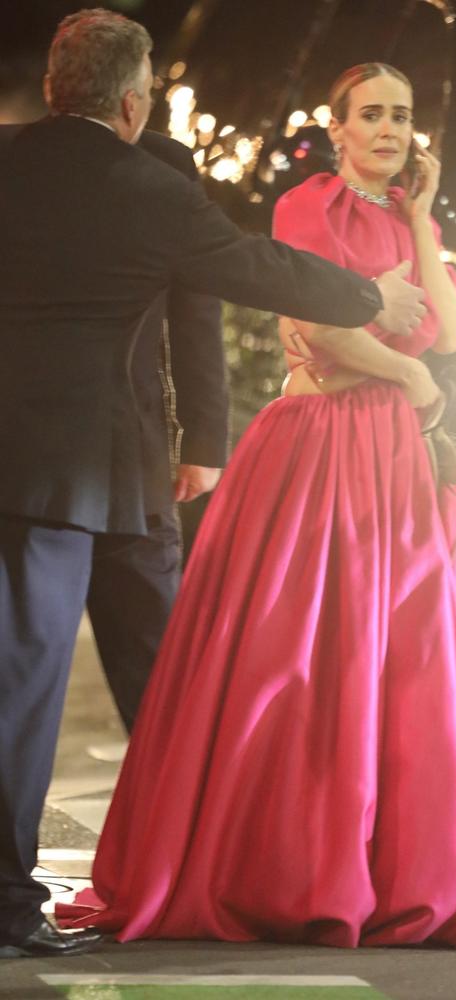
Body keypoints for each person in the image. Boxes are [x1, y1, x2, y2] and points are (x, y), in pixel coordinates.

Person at [57, 62, 456, 951]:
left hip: (403, 458)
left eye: (402, 116)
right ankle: (304, 864)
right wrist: (411, 376)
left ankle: (412, 865)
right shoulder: (306, 207)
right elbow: (321, 324)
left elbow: (450, 330)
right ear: (336, 128)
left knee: (417, 660)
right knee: (306, 655)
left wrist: (417, 220)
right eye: (371, 115)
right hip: (324, 442)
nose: (389, 130)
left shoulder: (412, 219)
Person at [0, 9, 427, 959]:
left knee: (135, 676)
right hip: (65, 474)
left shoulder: (16, 160)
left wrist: (199, 431)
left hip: (108, 470)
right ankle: (7, 903)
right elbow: (250, 267)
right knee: (34, 690)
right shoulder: (145, 184)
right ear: (131, 97)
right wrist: (374, 297)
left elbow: (204, 299)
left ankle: (193, 866)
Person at [86, 128, 226, 734]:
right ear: (132, 98)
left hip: (132, 452)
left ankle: (170, 817)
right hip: (94, 458)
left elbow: (194, 309)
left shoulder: (165, 165)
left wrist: (202, 438)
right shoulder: (23, 162)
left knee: (154, 669)